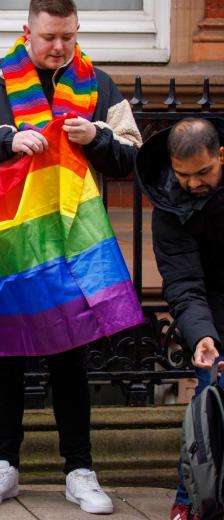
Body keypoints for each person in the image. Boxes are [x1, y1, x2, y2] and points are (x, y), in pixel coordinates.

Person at [0, 0, 141, 515]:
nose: (59, 48)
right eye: (49, 37)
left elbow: (131, 157)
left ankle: (80, 468)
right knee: (4, 353)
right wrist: (8, 140)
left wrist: (95, 136)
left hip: (73, 244)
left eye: (68, 37)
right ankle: (3, 464)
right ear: (26, 31)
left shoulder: (98, 84)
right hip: (8, 239)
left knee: (71, 356)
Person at [136, 117, 224, 520]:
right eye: (183, 174)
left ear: (221, 155)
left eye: (203, 172)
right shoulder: (169, 203)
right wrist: (202, 336)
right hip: (209, 306)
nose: (192, 184)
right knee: (210, 406)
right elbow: (184, 282)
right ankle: (189, 503)